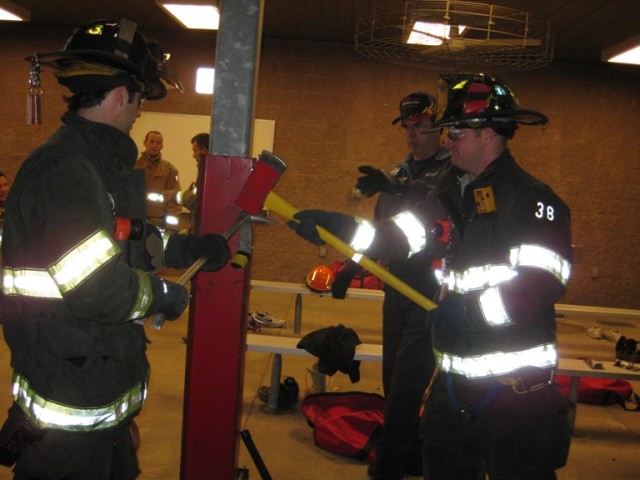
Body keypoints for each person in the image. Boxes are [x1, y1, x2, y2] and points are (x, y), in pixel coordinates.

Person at [286, 72, 572, 480]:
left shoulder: (533, 201)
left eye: (455, 130)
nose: (448, 139)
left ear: (488, 132)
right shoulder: (449, 193)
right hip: (454, 384)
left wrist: (469, 312)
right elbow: (397, 236)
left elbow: (543, 281)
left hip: (515, 393)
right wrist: (338, 227)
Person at [0, 19, 231, 479]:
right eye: (142, 98)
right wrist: (164, 295)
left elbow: (124, 241)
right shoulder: (65, 170)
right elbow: (96, 286)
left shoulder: (95, 163)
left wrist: (183, 249)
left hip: (95, 381)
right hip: (69, 398)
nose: (140, 111)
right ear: (122, 94)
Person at [350, 92, 449, 480]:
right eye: (407, 127)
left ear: (438, 128)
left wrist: (396, 190)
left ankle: (389, 466)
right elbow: (382, 230)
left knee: (408, 385)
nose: (413, 135)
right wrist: (355, 266)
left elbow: (428, 220)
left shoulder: (449, 172)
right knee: (393, 382)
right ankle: (407, 454)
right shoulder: (400, 171)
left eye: (421, 126)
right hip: (395, 289)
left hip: (426, 293)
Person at [135, 130, 183, 231]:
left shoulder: (170, 170)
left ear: (162, 146)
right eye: (151, 141)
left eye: (158, 143)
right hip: (135, 221)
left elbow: (174, 203)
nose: (154, 146)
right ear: (145, 143)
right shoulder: (134, 167)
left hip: (158, 224)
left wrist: (170, 230)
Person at [175, 132, 210, 233]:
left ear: (204, 151)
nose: (193, 155)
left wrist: (175, 195)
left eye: (195, 151)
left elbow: (196, 201)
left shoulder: (208, 173)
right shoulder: (203, 171)